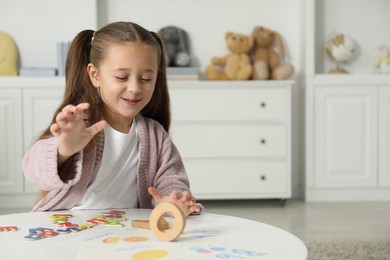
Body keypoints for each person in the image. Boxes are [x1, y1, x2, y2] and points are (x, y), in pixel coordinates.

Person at [22, 21, 202, 216]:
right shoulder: (78, 126)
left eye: (146, 79)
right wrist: (64, 151)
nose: (135, 88)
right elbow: (33, 170)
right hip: (69, 226)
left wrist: (171, 201)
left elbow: (171, 179)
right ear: (95, 75)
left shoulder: (155, 135)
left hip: (125, 231)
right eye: (122, 77)